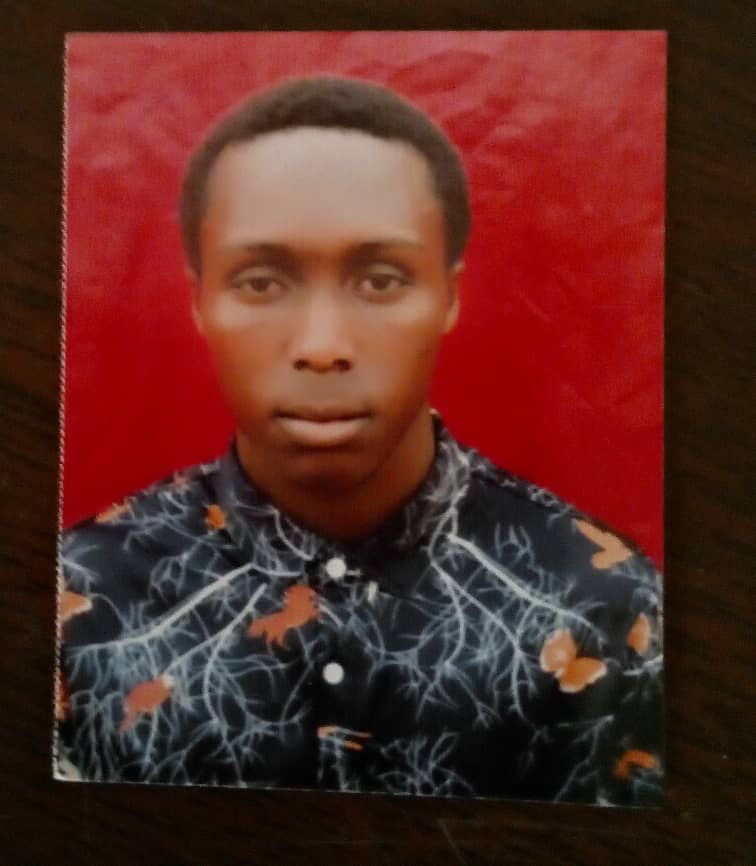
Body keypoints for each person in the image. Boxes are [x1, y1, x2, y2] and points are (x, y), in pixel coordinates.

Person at [56, 76, 663, 803]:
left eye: (380, 280)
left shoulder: (602, 607)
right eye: (261, 282)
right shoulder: (74, 609)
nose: (321, 347)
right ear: (199, 302)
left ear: (450, 296)